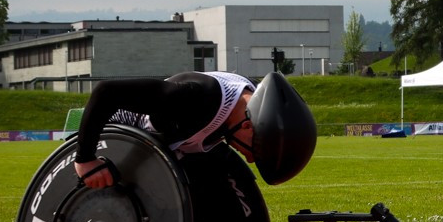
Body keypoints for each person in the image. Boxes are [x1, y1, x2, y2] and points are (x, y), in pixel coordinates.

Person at [74, 71, 317, 189]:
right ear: (246, 125)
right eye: (255, 150)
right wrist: (85, 159)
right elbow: (105, 92)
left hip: (159, 150)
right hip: (114, 139)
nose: (251, 158)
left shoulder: (246, 101)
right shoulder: (195, 98)